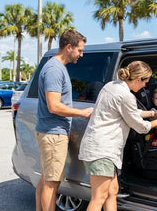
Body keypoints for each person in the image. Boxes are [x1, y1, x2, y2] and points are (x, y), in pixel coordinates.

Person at [78, 61, 157, 211]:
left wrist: (153, 113)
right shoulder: (126, 96)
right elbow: (141, 126)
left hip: (101, 148)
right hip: (102, 151)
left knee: (112, 191)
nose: (145, 86)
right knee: (99, 197)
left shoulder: (111, 86)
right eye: (145, 82)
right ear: (138, 79)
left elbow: (129, 111)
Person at [35, 29, 94, 211]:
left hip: (52, 131)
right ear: (69, 47)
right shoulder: (54, 69)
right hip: (53, 133)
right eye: (80, 50)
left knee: (46, 179)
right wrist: (82, 113)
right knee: (52, 184)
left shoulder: (57, 67)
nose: (81, 55)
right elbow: (54, 106)